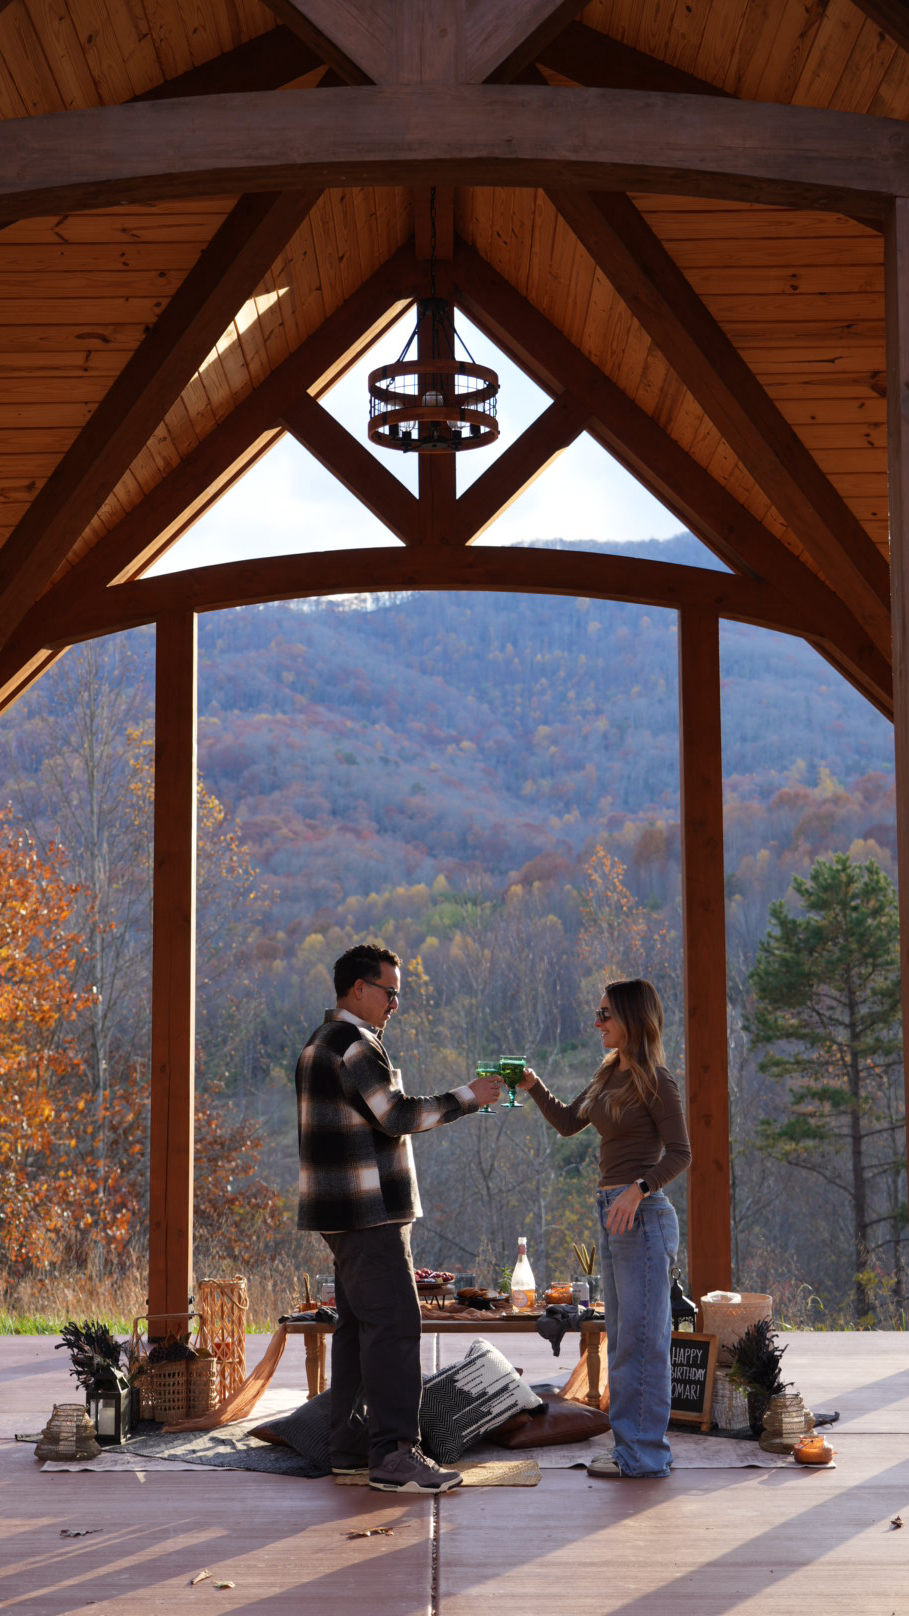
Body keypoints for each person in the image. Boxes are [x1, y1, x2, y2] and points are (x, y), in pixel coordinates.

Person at [295, 942, 501, 1493]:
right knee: (395, 1326)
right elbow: (397, 1116)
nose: (395, 1004)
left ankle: (350, 1450)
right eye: (390, 992)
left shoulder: (318, 1043)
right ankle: (394, 1455)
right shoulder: (355, 1046)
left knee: (358, 1328)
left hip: (339, 1214)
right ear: (358, 989)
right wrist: (469, 1097)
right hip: (371, 1213)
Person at [515, 977, 691, 1480]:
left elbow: (681, 1153)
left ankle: (646, 1457)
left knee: (643, 1340)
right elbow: (570, 1122)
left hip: (641, 1214)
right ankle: (631, 1448)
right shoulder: (610, 1073)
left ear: (632, 1020)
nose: (597, 1023)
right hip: (612, 1210)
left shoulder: (656, 1079)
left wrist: (640, 1188)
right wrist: (533, 1086)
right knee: (624, 1336)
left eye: (605, 1015)